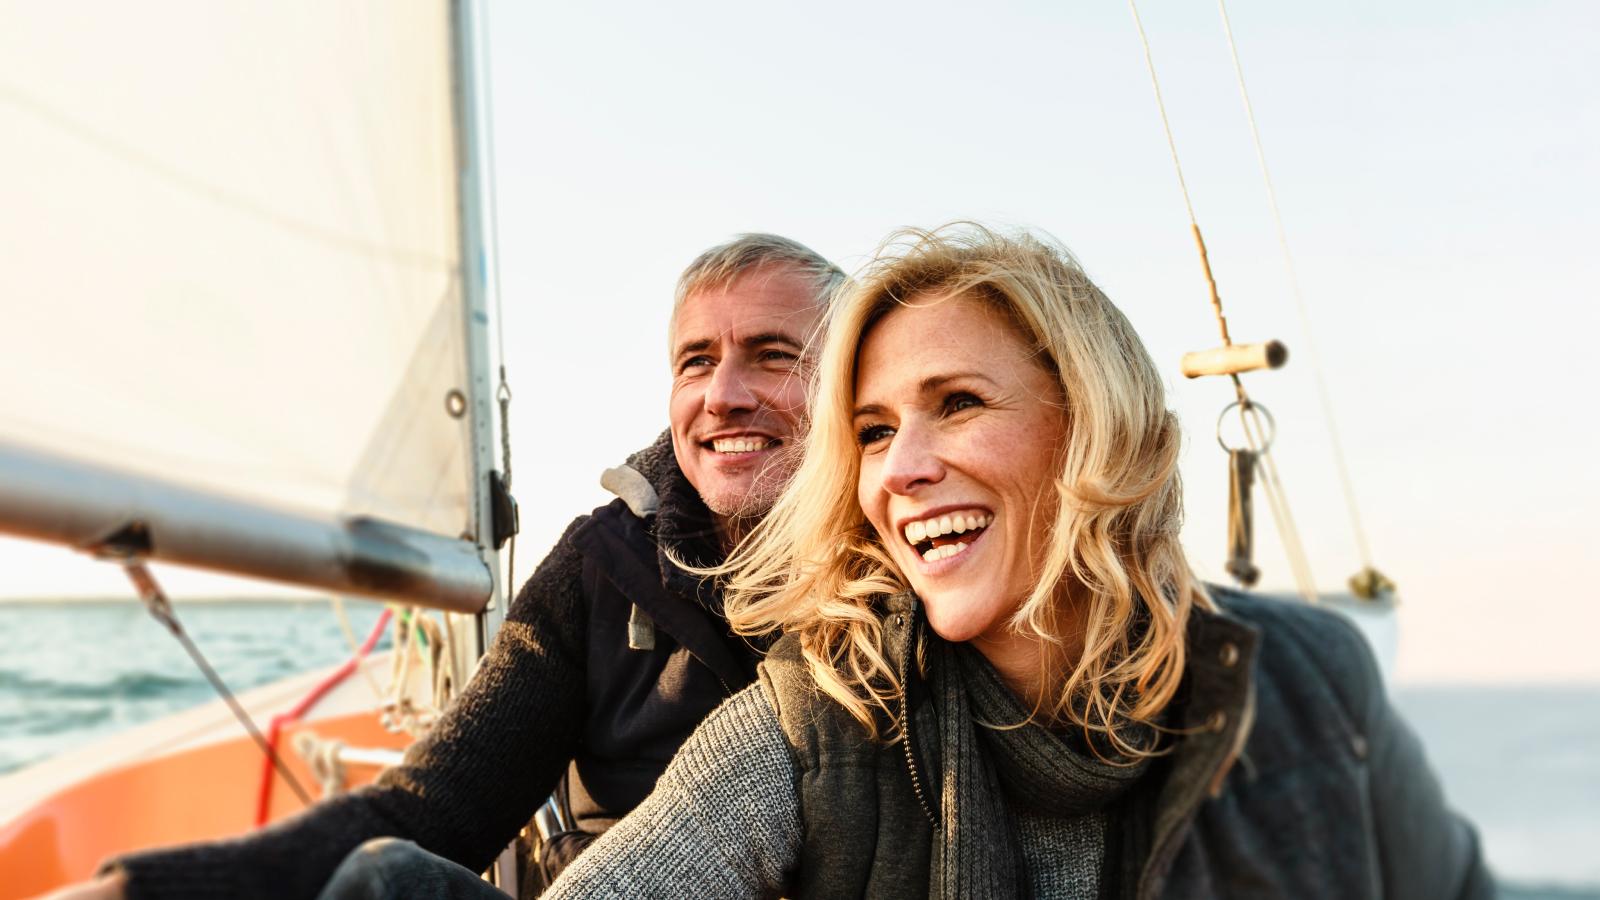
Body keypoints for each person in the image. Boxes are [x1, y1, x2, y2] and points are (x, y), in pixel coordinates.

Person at [540, 224, 1492, 899]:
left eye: (956, 403)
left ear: (1090, 427)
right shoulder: (818, 725)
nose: (903, 469)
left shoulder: (1307, 681)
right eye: (873, 432)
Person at [44, 234, 844, 900]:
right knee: (389, 881)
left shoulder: (906, 587)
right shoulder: (604, 565)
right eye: (695, 362)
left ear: (848, 387)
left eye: (773, 356)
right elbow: (434, 808)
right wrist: (136, 893)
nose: (724, 394)